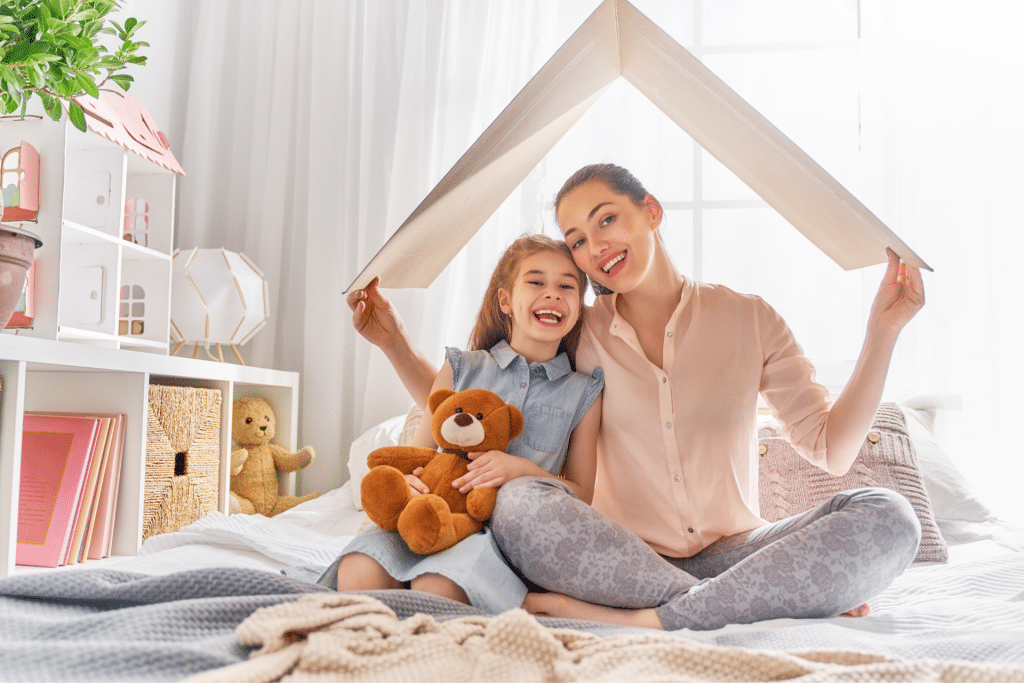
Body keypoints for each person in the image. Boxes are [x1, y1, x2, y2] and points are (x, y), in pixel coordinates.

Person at [347, 163, 925, 631]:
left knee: (888, 515)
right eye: (577, 240)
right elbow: (470, 402)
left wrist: (883, 333)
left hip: (736, 547)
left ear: (650, 211)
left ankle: (650, 618)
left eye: (607, 221)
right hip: (612, 556)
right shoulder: (576, 328)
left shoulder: (749, 318)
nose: (595, 247)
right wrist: (394, 342)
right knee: (520, 499)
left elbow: (833, 450)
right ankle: (758, 600)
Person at [323, 234, 603, 615]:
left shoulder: (582, 392)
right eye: (536, 282)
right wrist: (408, 481)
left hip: (496, 540)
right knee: (357, 575)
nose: (552, 294)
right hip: (425, 510)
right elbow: (418, 456)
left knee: (436, 589)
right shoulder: (461, 368)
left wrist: (521, 471)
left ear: (579, 306)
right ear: (505, 300)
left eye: (566, 286)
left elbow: (582, 493)